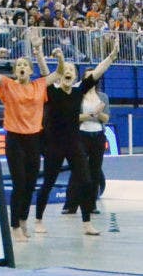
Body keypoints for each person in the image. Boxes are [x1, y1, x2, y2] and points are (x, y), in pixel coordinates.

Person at [0, 28, 64, 242]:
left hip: (34, 139)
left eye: (25, 65)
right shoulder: (8, 85)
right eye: (19, 66)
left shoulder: (39, 86)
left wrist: (54, 55)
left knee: (31, 182)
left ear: (31, 70)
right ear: (15, 71)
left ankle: (24, 220)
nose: (22, 68)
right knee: (19, 183)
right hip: (15, 138)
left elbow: (59, 74)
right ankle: (14, 224)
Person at [34, 39, 118, 235]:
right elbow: (45, 72)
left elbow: (97, 72)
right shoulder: (53, 91)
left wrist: (112, 57)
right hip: (54, 145)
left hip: (74, 144)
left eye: (72, 69)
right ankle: (38, 219)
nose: (69, 71)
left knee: (87, 180)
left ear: (74, 76)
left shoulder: (78, 91)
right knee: (48, 182)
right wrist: (38, 52)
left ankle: (87, 222)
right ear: (61, 74)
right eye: (66, 69)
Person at [64, 68, 111, 215]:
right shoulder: (78, 95)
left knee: (95, 170)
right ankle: (70, 205)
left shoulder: (103, 97)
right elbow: (74, 117)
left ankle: (91, 205)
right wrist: (92, 113)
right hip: (81, 135)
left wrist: (99, 113)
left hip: (97, 136)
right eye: (89, 76)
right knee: (78, 169)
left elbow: (106, 118)